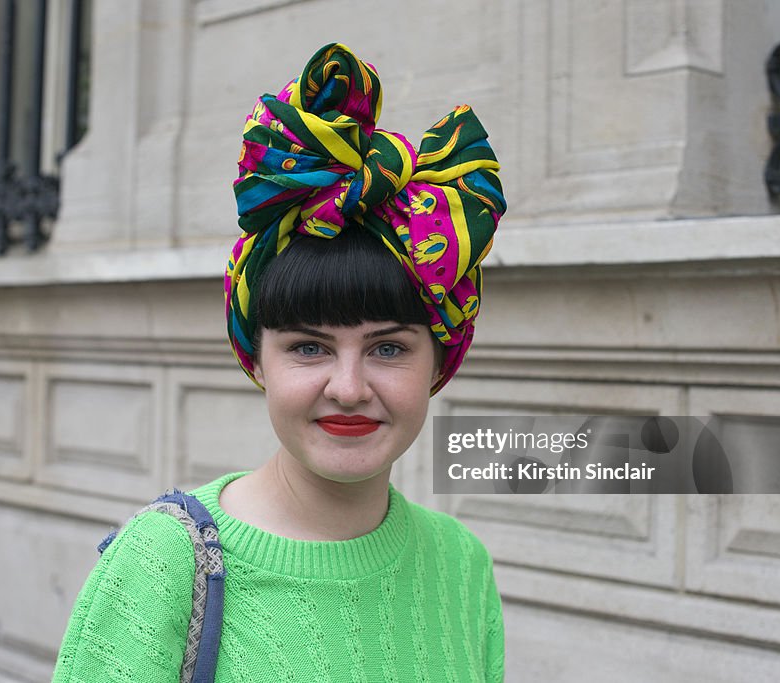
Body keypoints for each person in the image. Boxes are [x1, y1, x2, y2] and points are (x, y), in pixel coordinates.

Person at [51, 42, 506, 682]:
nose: (348, 388)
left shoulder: (463, 567)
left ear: (439, 362)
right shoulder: (159, 565)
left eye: (388, 348)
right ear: (257, 360)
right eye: (309, 347)